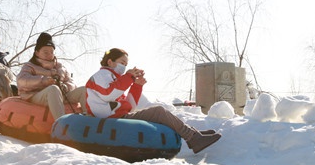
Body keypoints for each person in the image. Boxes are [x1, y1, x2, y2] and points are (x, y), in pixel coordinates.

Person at [85, 48, 221, 154]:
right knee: (158, 111)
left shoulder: (115, 80)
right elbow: (108, 95)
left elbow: (129, 106)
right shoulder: (101, 76)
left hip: (117, 115)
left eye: (126, 64)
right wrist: (128, 77)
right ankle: (193, 138)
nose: (124, 67)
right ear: (110, 62)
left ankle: (194, 134)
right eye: (122, 63)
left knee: (158, 112)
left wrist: (136, 85)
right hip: (107, 117)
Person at [16, 32, 85, 120]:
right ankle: (62, 124)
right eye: (46, 52)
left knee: (84, 90)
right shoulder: (30, 66)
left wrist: (65, 87)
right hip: (37, 95)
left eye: (51, 52)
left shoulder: (60, 67)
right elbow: (22, 80)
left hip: (60, 94)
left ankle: (88, 120)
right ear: (37, 52)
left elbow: (71, 82)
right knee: (53, 89)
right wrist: (43, 81)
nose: (49, 55)